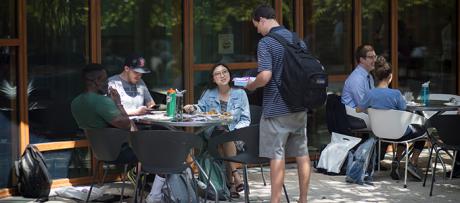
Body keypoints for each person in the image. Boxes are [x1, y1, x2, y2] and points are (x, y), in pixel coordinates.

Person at [245, 5, 310, 203]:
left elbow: (265, 76)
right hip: (299, 106)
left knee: (276, 155)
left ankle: (275, 201)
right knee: (302, 153)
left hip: (276, 108)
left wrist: (252, 85)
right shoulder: (297, 40)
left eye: (257, 26)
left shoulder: (266, 42)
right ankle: (303, 199)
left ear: (262, 20)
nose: (257, 30)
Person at [183, 63, 250, 198]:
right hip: (213, 134)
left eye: (225, 72)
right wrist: (192, 108)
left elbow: (245, 119)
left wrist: (236, 132)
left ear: (229, 75)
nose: (222, 75)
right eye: (218, 74)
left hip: (236, 136)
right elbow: (201, 109)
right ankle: (235, 177)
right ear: (213, 79)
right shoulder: (209, 93)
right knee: (221, 135)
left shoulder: (240, 93)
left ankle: (230, 184)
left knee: (225, 137)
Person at [356, 56, 425, 181]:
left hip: (380, 133)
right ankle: (412, 162)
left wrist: (370, 109)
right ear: (390, 77)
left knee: (402, 134)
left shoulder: (370, 94)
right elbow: (403, 110)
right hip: (397, 133)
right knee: (422, 131)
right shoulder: (396, 94)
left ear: (377, 77)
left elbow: (359, 109)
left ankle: (397, 162)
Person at [71, 63, 137, 166]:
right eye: (105, 79)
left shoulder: (75, 102)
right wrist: (118, 103)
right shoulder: (102, 101)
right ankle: (140, 175)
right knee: (156, 145)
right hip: (118, 152)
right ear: (96, 81)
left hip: (100, 153)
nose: (108, 83)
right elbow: (127, 124)